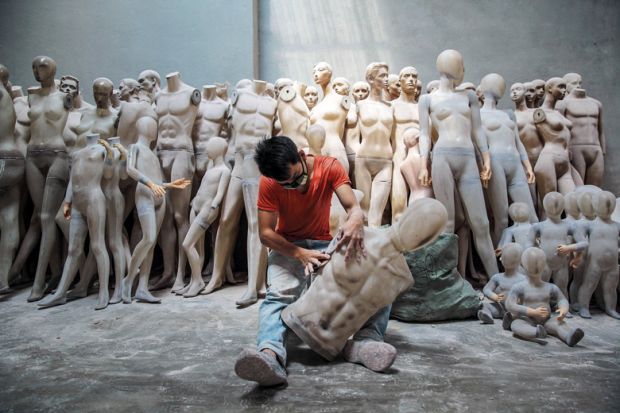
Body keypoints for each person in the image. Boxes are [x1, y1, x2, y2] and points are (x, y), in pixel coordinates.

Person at [235, 136, 397, 387]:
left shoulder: (329, 166)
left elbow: (354, 208)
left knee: (378, 280)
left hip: (324, 245)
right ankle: (270, 354)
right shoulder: (269, 182)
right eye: (286, 184)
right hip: (287, 247)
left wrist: (354, 219)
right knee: (279, 295)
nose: (294, 185)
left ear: (300, 155)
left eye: (297, 177)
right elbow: (266, 234)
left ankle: (366, 342)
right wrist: (299, 254)